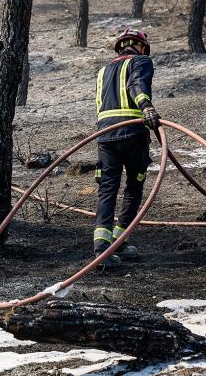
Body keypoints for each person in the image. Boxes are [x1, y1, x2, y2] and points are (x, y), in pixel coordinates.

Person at [92, 28, 161, 267]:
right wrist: (146, 107)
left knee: (108, 189)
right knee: (133, 186)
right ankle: (119, 241)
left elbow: (100, 104)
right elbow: (136, 84)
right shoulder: (141, 61)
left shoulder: (102, 71)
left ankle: (102, 248)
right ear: (140, 46)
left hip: (105, 136)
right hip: (132, 134)